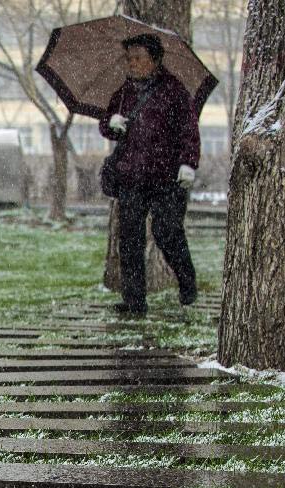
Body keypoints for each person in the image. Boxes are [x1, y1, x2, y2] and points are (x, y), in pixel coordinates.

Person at [99, 33, 200, 317]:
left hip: (167, 178)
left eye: (138, 58)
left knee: (166, 232)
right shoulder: (124, 92)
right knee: (130, 240)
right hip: (132, 177)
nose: (132, 63)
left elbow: (189, 131)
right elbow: (106, 126)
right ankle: (134, 303)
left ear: (154, 60)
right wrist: (111, 122)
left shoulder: (174, 91)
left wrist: (188, 163)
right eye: (129, 58)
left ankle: (186, 278)